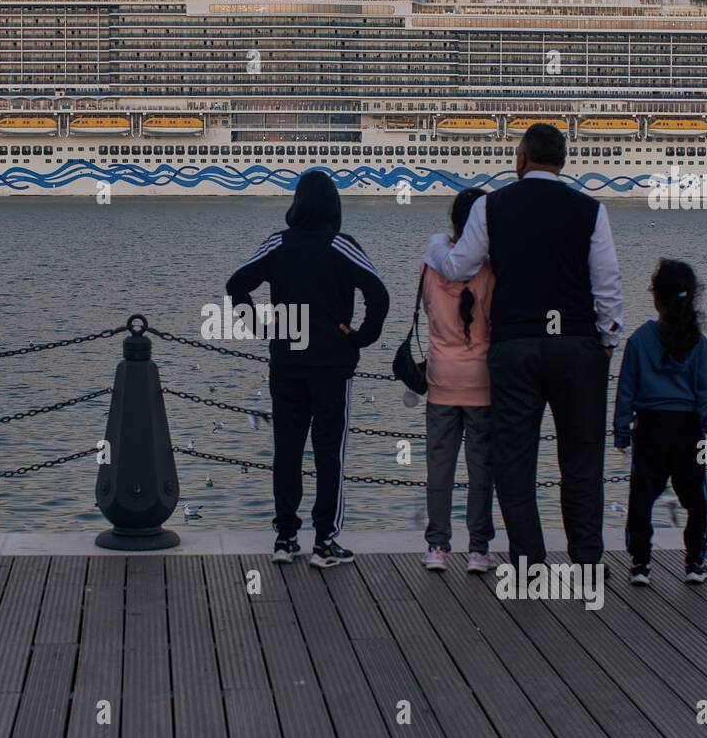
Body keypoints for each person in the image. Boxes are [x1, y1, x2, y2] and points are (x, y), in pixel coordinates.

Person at [425, 123, 623, 568]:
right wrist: (607, 339)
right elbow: (607, 284)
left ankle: (529, 563)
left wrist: (435, 246)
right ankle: (587, 561)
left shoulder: (491, 206)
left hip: (516, 346)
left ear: (520, 158)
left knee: (514, 460)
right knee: (582, 459)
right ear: (563, 161)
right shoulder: (591, 209)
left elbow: (458, 268)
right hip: (576, 346)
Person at [226, 170, 390, 569]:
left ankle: (285, 538)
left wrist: (262, 325)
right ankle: (325, 542)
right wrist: (359, 337)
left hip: (286, 362)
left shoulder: (277, 243)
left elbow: (236, 285)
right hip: (333, 366)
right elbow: (379, 294)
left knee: (287, 451)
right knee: (329, 454)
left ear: (296, 203)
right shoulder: (341, 245)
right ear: (334, 206)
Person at [614, 259, 707, 585]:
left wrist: (621, 431)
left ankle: (640, 564)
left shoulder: (638, 341)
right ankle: (695, 562)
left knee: (641, 500)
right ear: (691, 298)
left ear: (656, 298)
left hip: (650, 430)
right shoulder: (701, 346)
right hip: (689, 433)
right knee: (696, 500)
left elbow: (625, 392)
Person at [420, 187, 497, 573]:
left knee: (440, 466)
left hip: (440, 378)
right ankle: (479, 550)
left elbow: (429, 313)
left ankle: (437, 547)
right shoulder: (490, 269)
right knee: (481, 467)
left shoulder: (431, 264)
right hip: (481, 381)